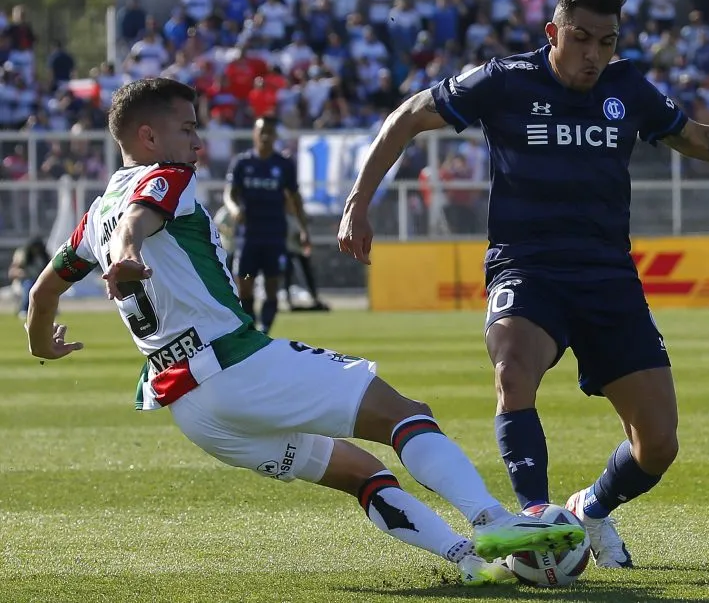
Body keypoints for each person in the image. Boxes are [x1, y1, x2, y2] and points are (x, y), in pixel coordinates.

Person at [338, 0, 709, 568]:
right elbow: (408, 115)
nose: (593, 54)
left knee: (658, 446)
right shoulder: (504, 80)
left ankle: (590, 508)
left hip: (608, 277)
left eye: (606, 42)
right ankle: (535, 520)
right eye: (581, 38)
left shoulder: (626, 86)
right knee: (514, 370)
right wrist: (358, 202)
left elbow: (696, 139)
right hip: (527, 267)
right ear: (553, 33)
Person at [23, 78, 584, 587]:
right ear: (148, 136)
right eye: (188, 129)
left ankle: (465, 559)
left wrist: (40, 340)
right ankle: (493, 519)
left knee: (360, 472)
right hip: (236, 366)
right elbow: (137, 221)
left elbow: (41, 293)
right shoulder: (167, 178)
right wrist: (127, 251)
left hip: (193, 410)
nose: (198, 143)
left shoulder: (92, 217)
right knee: (405, 414)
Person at [223, 116, 309, 334]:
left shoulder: (283, 165)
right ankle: (251, 329)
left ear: (275, 136)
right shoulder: (242, 163)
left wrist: (303, 229)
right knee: (245, 285)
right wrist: (234, 209)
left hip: (274, 236)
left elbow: (295, 198)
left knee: (272, 287)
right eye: (262, 131)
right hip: (248, 237)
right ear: (254, 134)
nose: (265, 136)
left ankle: (265, 331)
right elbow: (229, 194)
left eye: (270, 132)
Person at [8, 237, 49, 319]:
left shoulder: (44, 256)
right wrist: (21, 273)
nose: (36, 250)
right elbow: (12, 272)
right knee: (29, 286)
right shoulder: (23, 255)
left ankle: (48, 309)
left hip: (40, 281)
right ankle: (24, 309)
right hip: (24, 281)